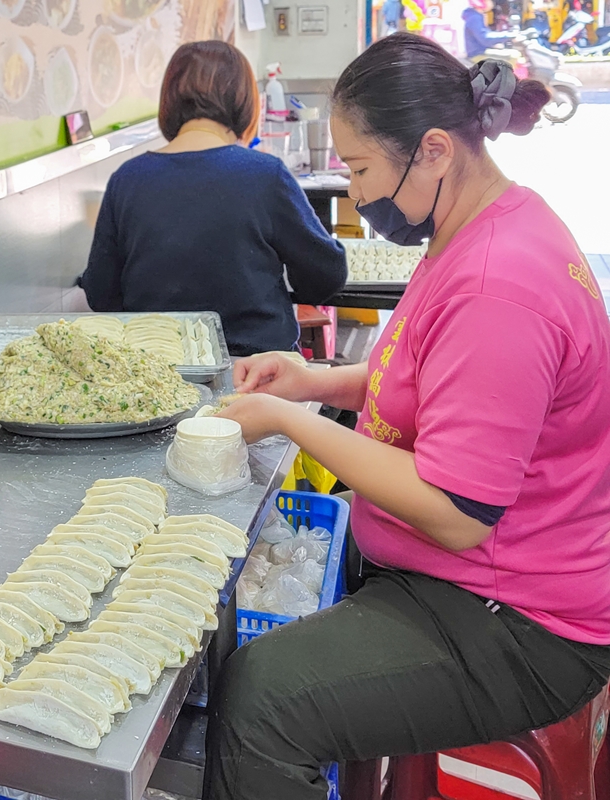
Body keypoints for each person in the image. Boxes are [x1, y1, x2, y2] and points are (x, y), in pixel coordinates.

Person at [207, 34, 610, 799]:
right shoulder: (477, 226)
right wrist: (313, 382)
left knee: (263, 698)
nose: (355, 195)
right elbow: (432, 386)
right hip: (466, 580)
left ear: (432, 151)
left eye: (360, 169)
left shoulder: (500, 285)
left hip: (517, 621)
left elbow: (458, 512)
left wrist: (293, 423)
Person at [79, 41, 347, 357]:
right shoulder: (264, 175)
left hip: (157, 371)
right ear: (245, 103)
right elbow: (325, 275)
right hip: (259, 373)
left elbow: (100, 294)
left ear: (167, 102)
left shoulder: (127, 179)